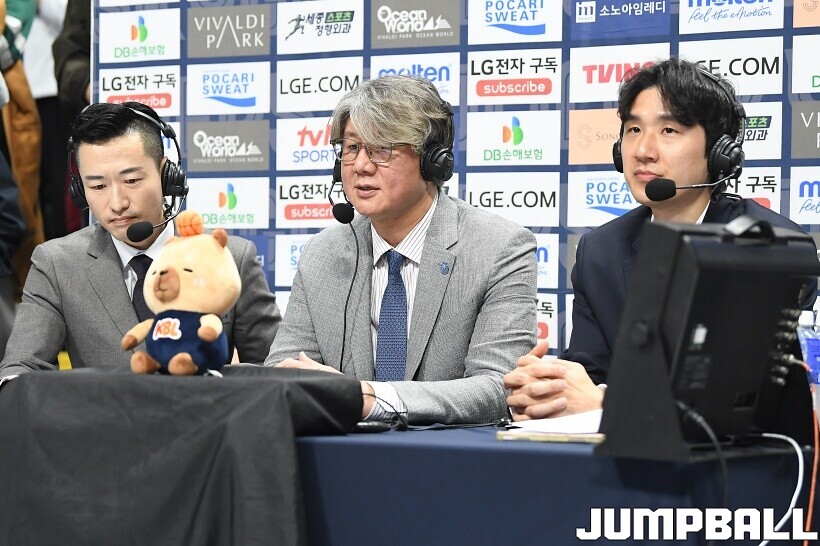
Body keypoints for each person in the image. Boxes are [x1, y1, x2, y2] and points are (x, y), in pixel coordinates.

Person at [505, 58, 818, 420]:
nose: (643, 150)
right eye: (634, 129)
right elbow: (590, 375)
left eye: (669, 130)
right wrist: (549, 394)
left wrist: (610, 405)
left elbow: (750, 399)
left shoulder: (771, 248)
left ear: (720, 153)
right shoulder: (601, 252)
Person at [265, 75, 537, 425]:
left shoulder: (499, 247)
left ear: (432, 160)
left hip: (449, 453)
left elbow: (499, 387)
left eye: (381, 148)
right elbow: (284, 370)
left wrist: (369, 398)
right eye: (351, 147)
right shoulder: (323, 253)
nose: (360, 166)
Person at [0, 102, 281, 378]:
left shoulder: (230, 257)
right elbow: (19, 371)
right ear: (80, 190)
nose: (117, 203)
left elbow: (275, 370)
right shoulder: (56, 264)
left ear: (166, 175)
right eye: (97, 186)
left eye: (131, 181)